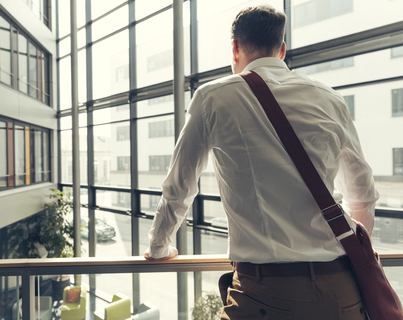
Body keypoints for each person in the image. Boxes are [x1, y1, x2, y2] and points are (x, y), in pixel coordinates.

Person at [144, 5, 379, 320]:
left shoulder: (212, 97)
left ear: (234, 48)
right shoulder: (329, 98)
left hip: (267, 294)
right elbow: (362, 190)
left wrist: (160, 247)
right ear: (281, 50)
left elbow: (180, 186)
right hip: (342, 290)